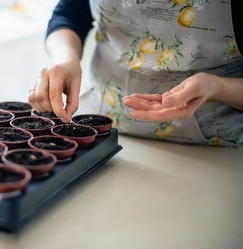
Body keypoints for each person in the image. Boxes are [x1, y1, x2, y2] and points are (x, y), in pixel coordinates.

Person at [28, 0, 243, 148]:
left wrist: (217, 86)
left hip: (211, 149)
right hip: (101, 133)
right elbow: (70, 15)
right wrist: (65, 58)